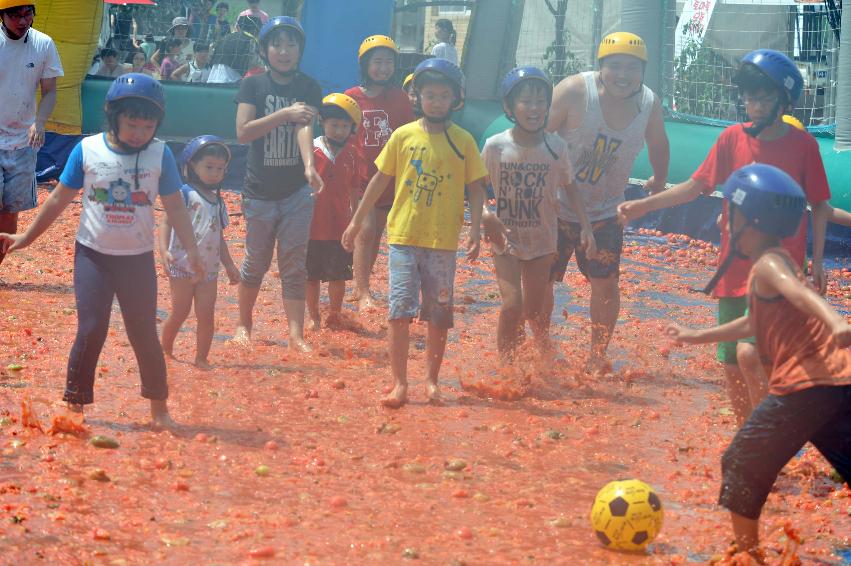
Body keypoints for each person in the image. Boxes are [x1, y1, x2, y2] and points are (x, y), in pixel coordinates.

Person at [618, 49, 831, 425]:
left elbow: (820, 204)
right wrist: (643, 206)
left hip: (777, 272)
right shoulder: (732, 139)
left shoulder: (803, 146)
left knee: (753, 355)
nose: (755, 105)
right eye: (749, 97)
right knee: (731, 362)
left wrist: (815, 263)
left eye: (764, 97)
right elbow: (695, 186)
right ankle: (745, 434)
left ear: (783, 100)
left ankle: (770, 435)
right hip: (734, 270)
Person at [665, 163, 851, 563]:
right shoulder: (776, 261)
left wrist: (834, 318)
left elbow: (802, 297)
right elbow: (755, 320)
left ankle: (746, 556)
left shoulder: (770, 264)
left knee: (741, 461)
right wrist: (698, 336)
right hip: (837, 381)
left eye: (728, 213)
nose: (721, 220)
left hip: (807, 385)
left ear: (752, 221)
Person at [0, 74, 204, 428]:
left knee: (142, 331)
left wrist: (192, 250)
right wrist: (27, 238)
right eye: (132, 124)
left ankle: (159, 410)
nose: (140, 132)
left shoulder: (160, 155)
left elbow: (175, 207)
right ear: (112, 115)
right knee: (92, 329)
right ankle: (75, 407)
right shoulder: (88, 150)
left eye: (148, 125)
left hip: (137, 261)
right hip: (93, 256)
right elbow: (58, 199)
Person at [341, 59, 488, 408]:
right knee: (399, 312)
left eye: (443, 95)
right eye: (429, 95)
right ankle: (399, 383)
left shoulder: (464, 141)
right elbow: (379, 181)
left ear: (456, 99)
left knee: (439, 316)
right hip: (403, 239)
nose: (436, 101)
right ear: (416, 97)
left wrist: (477, 228)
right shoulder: (403, 136)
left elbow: (477, 188)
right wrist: (357, 220)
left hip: (442, 243)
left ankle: (433, 382)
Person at [546, 32, 669, 375]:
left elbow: (658, 142)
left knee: (606, 283)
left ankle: (596, 355)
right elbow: (537, 134)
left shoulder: (648, 103)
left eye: (632, 67)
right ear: (601, 67)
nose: (623, 74)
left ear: (643, 70)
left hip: (605, 211)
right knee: (542, 281)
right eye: (614, 66)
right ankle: (542, 345)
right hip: (554, 206)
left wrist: (659, 179)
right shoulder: (574, 91)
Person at [482, 67, 596, 361]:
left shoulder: (556, 147)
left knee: (531, 311)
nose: (533, 108)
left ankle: (524, 357)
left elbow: (571, 188)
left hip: (544, 240)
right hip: (505, 239)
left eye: (540, 101)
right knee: (511, 306)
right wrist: (484, 213)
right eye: (525, 101)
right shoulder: (495, 146)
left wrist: (586, 227)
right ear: (509, 106)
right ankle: (508, 369)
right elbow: (475, 186)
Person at [233, 16, 323, 352]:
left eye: (291, 44)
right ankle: (244, 324)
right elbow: (243, 132)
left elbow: (305, 127)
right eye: (277, 44)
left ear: (300, 49)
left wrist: (310, 166)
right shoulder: (252, 86)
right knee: (255, 260)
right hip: (258, 191)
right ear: (265, 50)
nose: (283, 51)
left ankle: (296, 334)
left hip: (296, 193)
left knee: (293, 261)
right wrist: (283, 114)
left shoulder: (309, 86)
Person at [344, 35, 415, 310]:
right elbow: (343, 136)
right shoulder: (352, 97)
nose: (383, 68)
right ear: (365, 65)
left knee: (375, 237)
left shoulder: (400, 99)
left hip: (391, 179)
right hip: (361, 178)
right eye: (377, 62)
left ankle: (362, 283)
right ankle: (363, 292)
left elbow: (409, 136)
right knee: (365, 230)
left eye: (388, 62)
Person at [160, 135, 240, 369]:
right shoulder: (183, 194)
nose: (215, 173)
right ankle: (165, 349)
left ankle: (201, 357)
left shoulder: (219, 202)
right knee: (180, 311)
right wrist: (164, 251)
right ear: (191, 166)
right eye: (209, 167)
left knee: (206, 314)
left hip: (209, 269)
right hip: (182, 265)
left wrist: (230, 265)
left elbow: (219, 237)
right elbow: (166, 222)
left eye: (220, 168)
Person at [0, 1, 63, 272]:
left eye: (28, 14)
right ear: (2, 16)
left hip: (23, 140)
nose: (23, 20)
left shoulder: (44, 44)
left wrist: (39, 121)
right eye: (15, 15)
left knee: (10, 211)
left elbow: (49, 91)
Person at [306, 94, 363, 331]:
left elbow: (354, 192)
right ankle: (313, 316)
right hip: (310, 226)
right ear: (322, 122)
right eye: (334, 125)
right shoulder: (311, 151)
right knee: (311, 276)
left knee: (338, 275)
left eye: (344, 126)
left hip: (340, 227)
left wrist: (355, 223)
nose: (339, 130)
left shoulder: (352, 155)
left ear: (352, 127)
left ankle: (335, 314)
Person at [207, 14, 260, 84]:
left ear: (239, 26)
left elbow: (210, 57)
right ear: (254, 30)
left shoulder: (226, 37)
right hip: (232, 84)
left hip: (212, 81)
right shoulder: (251, 41)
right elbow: (253, 65)